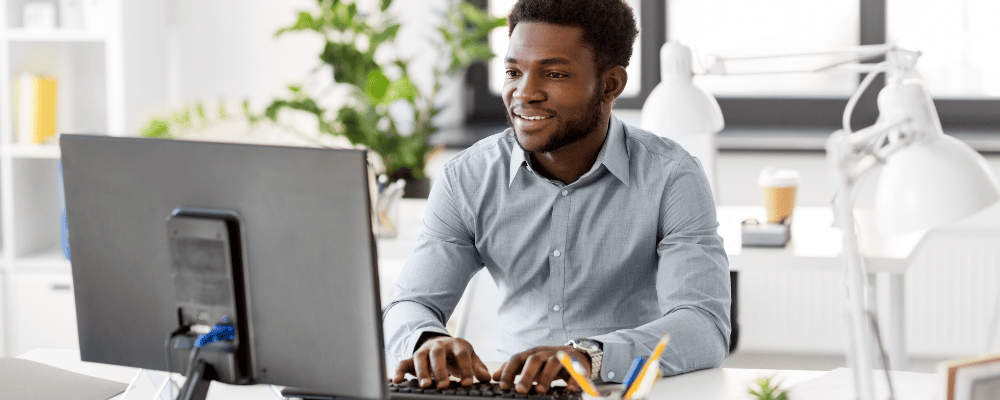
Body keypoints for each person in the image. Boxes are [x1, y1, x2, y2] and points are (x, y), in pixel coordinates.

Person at [382, 0, 731, 395]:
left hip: (623, 390)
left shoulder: (672, 175)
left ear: (610, 84)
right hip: (508, 392)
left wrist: (588, 357)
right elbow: (408, 304)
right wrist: (427, 341)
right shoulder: (469, 177)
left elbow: (704, 325)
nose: (524, 93)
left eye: (554, 74)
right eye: (513, 72)